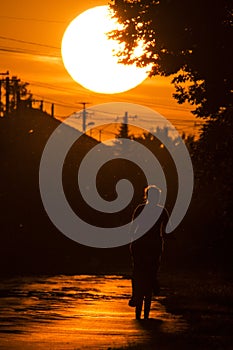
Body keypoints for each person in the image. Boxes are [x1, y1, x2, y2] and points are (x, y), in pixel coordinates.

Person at [128, 185, 169, 320]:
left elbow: (133, 227)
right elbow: (166, 230)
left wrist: (131, 240)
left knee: (137, 270)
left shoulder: (140, 209)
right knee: (152, 268)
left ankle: (135, 295)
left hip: (140, 243)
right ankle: (154, 283)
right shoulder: (162, 211)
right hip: (153, 245)